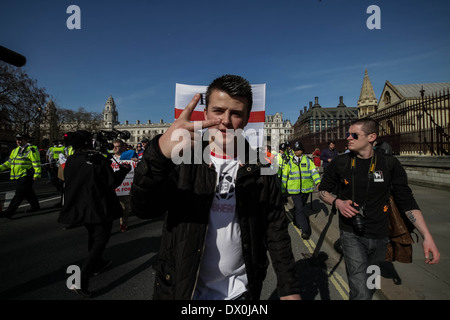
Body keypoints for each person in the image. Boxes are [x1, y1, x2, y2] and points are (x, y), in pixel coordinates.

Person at [130, 74, 301, 300]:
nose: (226, 121)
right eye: (218, 111)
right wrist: (158, 154)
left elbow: (275, 230)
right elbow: (144, 209)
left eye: (236, 113)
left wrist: (289, 289)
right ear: (205, 114)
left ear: (247, 118)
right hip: (183, 290)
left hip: (240, 294)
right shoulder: (182, 160)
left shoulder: (261, 168)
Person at [318, 118, 440, 300]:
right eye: (347, 134)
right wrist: (338, 203)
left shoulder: (389, 164)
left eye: (354, 135)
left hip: (381, 236)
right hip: (351, 234)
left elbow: (407, 201)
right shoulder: (341, 163)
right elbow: (322, 191)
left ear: (371, 137)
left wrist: (427, 236)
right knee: (361, 291)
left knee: (371, 284)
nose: (348, 138)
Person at [58, 130, 130, 297]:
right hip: (98, 206)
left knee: (93, 234)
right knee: (101, 239)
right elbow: (112, 182)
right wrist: (123, 170)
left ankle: (98, 264)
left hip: (80, 207)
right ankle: (82, 278)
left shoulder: (71, 160)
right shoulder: (96, 159)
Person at [281, 141, 321, 239]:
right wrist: (282, 190)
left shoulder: (307, 161)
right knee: (300, 209)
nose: (296, 151)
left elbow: (313, 171)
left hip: (306, 189)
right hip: (294, 190)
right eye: (295, 150)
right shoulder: (289, 163)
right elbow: (285, 176)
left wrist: (318, 182)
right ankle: (305, 230)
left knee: (300, 208)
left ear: (302, 150)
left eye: (298, 149)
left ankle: (295, 219)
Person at [0, 133, 42, 218]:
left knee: (19, 193)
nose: (18, 141)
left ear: (25, 140)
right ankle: (35, 206)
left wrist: (37, 174)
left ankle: (10, 211)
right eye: (17, 139)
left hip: (26, 175)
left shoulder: (31, 149)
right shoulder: (15, 150)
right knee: (28, 192)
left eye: (20, 139)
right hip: (18, 175)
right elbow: (9, 162)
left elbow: (36, 162)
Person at [112, 139, 133, 232]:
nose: (115, 148)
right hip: (112, 188)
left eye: (118, 146)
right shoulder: (109, 159)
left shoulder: (129, 159)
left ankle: (123, 224)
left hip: (124, 187)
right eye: (114, 146)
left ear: (123, 147)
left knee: (124, 207)